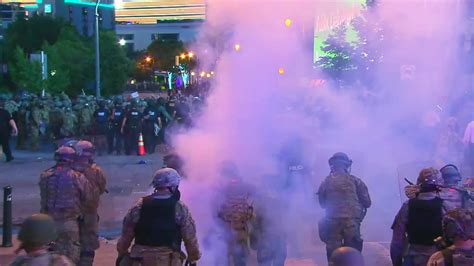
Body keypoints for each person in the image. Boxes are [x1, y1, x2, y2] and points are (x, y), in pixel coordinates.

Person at [116, 168, 201, 266]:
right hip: (168, 261)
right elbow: (190, 239)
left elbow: (125, 238)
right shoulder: (179, 208)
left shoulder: (139, 206)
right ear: (173, 187)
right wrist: (193, 258)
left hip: (140, 261)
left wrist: (123, 253)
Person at [39, 146, 93, 264]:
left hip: (49, 223)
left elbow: (44, 199)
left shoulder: (45, 176)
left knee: (50, 257)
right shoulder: (78, 177)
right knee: (70, 257)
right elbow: (88, 198)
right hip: (69, 223)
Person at [317, 152, 371, 261]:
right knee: (353, 255)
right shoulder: (356, 181)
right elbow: (367, 203)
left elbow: (322, 204)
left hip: (332, 222)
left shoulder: (325, 182)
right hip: (351, 222)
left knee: (333, 256)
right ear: (346, 165)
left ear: (333, 165)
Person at [390, 167, 445, 266]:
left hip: (414, 258)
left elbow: (397, 241)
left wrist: (397, 263)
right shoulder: (445, 206)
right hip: (440, 260)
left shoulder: (407, 206)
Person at [70, 140, 107, 266]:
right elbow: (101, 188)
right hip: (89, 213)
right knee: (88, 246)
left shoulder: (69, 169)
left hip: (71, 213)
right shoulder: (96, 171)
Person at [215, 161, 255, 266]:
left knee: (226, 257)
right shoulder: (246, 186)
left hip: (227, 230)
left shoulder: (220, 189)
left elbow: (216, 212)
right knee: (240, 257)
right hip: (241, 229)